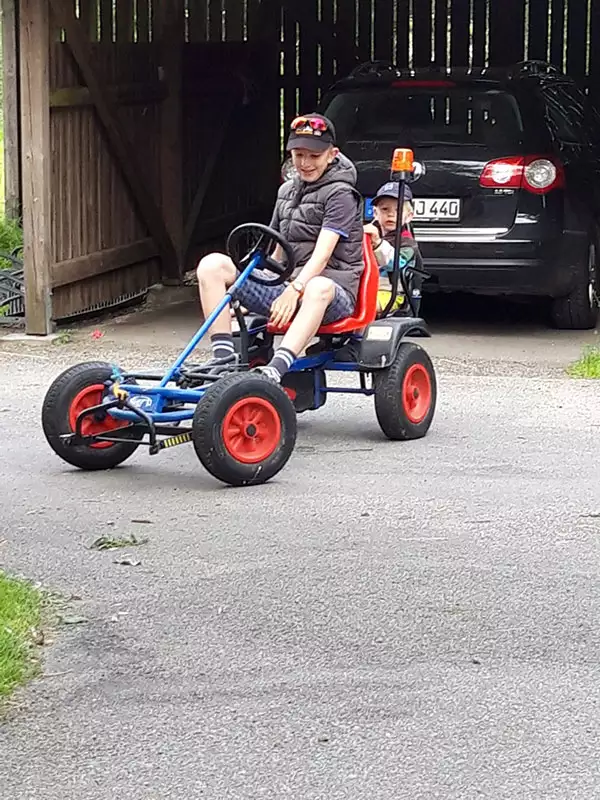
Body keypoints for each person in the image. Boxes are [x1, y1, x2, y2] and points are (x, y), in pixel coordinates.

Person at [195, 113, 364, 383]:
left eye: (314, 156)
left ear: (332, 155)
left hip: (332, 293)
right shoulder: (286, 192)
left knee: (317, 286)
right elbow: (277, 250)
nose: (305, 163)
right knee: (212, 265)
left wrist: (294, 290)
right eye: (299, 155)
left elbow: (322, 256)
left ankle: (276, 368)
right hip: (289, 286)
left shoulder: (341, 195)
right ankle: (223, 359)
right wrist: (254, 290)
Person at [363, 181, 424, 317]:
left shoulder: (407, 244)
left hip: (390, 294)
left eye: (398, 210)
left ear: (409, 216)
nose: (391, 214)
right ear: (375, 213)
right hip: (363, 289)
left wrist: (378, 244)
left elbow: (396, 264)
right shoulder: (367, 233)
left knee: (365, 306)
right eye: (385, 209)